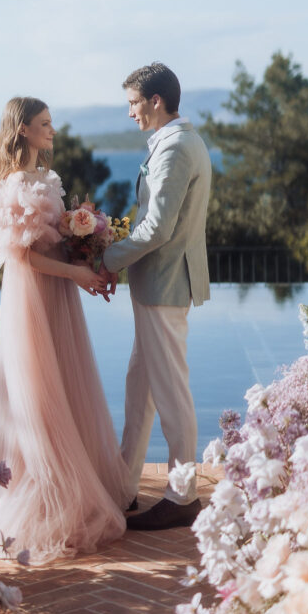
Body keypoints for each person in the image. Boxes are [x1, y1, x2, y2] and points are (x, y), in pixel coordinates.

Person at [0, 96, 132, 563]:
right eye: (44, 124)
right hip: (35, 299)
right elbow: (23, 258)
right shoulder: (16, 184)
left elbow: (57, 244)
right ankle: (41, 488)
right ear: (22, 129)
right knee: (39, 390)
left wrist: (89, 252)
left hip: (60, 294)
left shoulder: (47, 178)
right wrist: (76, 274)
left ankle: (74, 478)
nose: (53, 131)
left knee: (67, 381)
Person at [100, 63, 212, 530]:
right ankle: (124, 486)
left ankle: (183, 495)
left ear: (156, 101)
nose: (130, 112)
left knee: (171, 395)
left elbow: (157, 228)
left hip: (165, 284)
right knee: (139, 390)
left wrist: (106, 259)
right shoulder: (179, 142)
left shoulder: (176, 149)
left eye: (133, 103)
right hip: (157, 285)